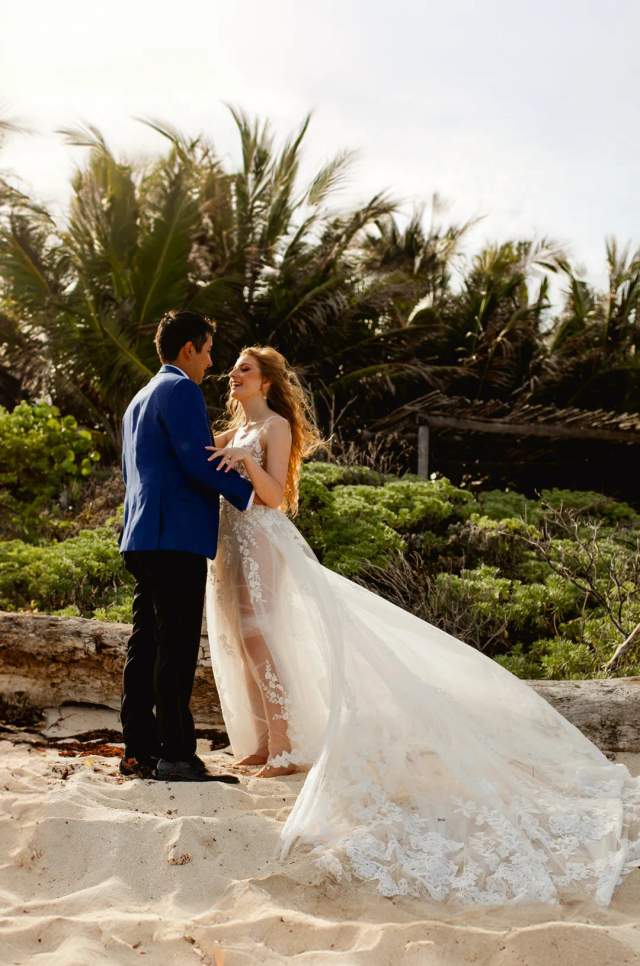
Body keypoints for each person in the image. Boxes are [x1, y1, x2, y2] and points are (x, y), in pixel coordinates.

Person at [205, 344, 640, 906]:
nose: (233, 377)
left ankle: (287, 749)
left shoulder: (275, 427)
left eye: (244, 370)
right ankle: (262, 744)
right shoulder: (235, 426)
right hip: (229, 540)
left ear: (266, 381)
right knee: (243, 642)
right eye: (234, 370)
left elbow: (277, 499)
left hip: (263, 538)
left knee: (266, 637)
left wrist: (245, 463)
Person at [119, 309, 253, 782]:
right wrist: (250, 494)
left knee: (147, 644)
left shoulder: (140, 397)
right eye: (208, 350)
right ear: (188, 349)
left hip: (141, 534)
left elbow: (136, 470)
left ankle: (139, 750)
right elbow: (197, 463)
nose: (212, 361)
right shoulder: (180, 389)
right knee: (174, 647)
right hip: (174, 536)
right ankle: (177, 754)